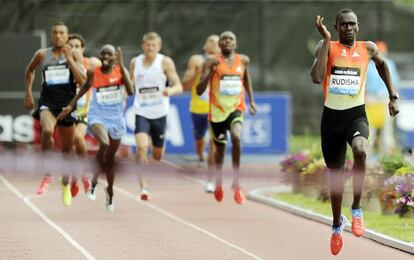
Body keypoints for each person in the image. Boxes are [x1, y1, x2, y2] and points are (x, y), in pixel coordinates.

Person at [310, 9, 399, 255]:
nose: (349, 28)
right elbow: (317, 77)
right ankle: (337, 225)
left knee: (361, 150)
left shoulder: (368, 48)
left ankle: (357, 209)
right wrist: (327, 41)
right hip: (331, 120)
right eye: (344, 25)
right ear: (337, 27)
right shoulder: (325, 45)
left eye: (352, 24)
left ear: (357, 26)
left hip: (356, 115)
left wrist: (392, 95)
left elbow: (382, 66)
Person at [57, 45, 133, 211]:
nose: (105, 56)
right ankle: (94, 181)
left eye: (109, 54)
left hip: (116, 119)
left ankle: (109, 190)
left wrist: (122, 66)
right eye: (103, 53)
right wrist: (70, 106)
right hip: (97, 116)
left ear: (114, 57)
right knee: (104, 144)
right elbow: (84, 88)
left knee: (110, 159)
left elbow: (131, 91)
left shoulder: (121, 71)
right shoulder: (93, 71)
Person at [24, 21, 86, 207]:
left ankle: (65, 184)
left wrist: (69, 59)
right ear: (52, 35)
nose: (58, 36)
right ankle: (48, 172)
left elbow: (82, 80)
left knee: (67, 151)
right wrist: (28, 93)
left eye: (61, 33)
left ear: (67, 36)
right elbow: (29, 70)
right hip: (48, 103)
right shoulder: (42, 54)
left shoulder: (73, 53)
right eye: (55, 33)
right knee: (48, 131)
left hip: (67, 105)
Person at [197, 31, 257, 205]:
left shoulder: (243, 60)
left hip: (236, 108)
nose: (228, 41)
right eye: (224, 39)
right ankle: (218, 181)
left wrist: (251, 101)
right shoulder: (210, 61)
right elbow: (199, 90)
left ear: (235, 44)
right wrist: (211, 73)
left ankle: (236, 183)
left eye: (231, 39)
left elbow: (246, 79)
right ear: (220, 44)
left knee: (237, 136)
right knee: (220, 151)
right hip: (216, 112)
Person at [130, 32, 183, 201]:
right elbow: (130, 84)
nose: (150, 48)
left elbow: (179, 86)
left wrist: (170, 90)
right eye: (147, 45)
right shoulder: (135, 62)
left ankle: (153, 146)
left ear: (158, 47)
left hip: (160, 112)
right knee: (141, 147)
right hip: (141, 111)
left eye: (154, 45)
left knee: (157, 155)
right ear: (142, 46)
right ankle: (144, 187)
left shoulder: (165, 62)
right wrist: (125, 93)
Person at [182, 34, 220, 193]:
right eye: (210, 40)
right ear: (205, 46)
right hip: (198, 108)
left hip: (216, 109)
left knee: (214, 143)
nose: (213, 43)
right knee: (199, 139)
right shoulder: (196, 60)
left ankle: (211, 180)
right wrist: (198, 71)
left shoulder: (224, 62)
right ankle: (200, 155)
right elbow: (185, 85)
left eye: (217, 41)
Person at [67, 33, 101, 197]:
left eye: (77, 47)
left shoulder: (91, 63)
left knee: (78, 138)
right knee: (70, 147)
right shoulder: (61, 65)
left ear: (83, 49)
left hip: (84, 111)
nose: (73, 49)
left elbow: (107, 73)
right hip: (66, 110)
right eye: (70, 46)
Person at [365, 41, 400, 155]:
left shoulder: (389, 64)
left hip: (385, 99)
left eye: (382, 51)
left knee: (387, 130)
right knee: (369, 129)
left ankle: (387, 156)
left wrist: (393, 99)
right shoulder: (368, 65)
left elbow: (395, 83)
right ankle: (366, 157)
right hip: (371, 99)